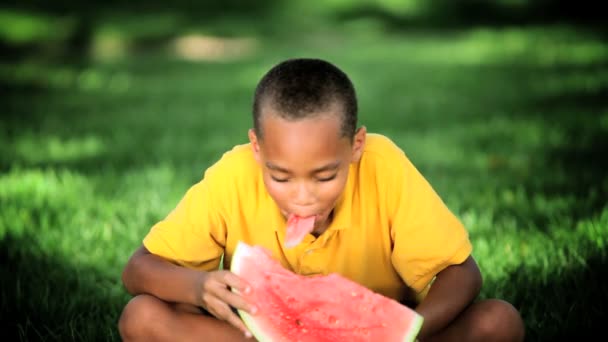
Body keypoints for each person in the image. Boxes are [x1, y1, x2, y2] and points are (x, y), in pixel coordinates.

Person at [118, 58, 525, 341]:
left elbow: (463, 273)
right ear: (257, 149)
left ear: (356, 146)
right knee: (141, 317)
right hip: (255, 338)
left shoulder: (384, 166)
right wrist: (199, 286)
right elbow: (138, 269)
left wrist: (400, 332)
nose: (303, 196)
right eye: (280, 176)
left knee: (498, 322)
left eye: (325, 176)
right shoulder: (234, 174)